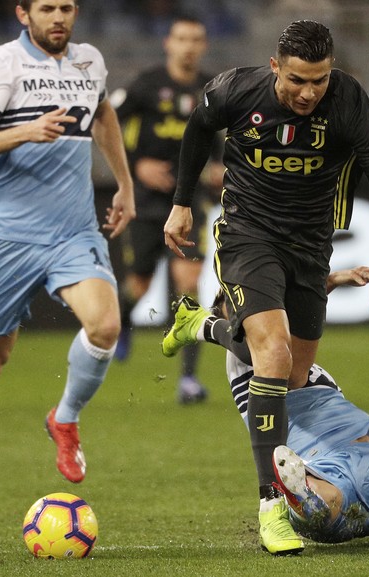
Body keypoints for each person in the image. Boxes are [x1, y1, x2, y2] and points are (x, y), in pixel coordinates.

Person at [163, 19, 369, 554]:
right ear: (275, 66)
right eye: (297, 79)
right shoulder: (236, 89)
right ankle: (271, 506)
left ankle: (201, 326)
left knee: (293, 377)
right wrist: (182, 202)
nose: (308, 93)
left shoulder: (348, 104)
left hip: (309, 246)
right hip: (247, 234)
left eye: (319, 80)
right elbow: (197, 130)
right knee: (271, 354)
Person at [0, 0, 135, 506]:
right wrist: (26, 130)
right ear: (23, 14)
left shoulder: (90, 61)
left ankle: (64, 419)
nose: (57, 17)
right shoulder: (2, 63)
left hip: (73, 231)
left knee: (105, 326)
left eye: (65, 7)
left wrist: (123, 185)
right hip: (8, 236)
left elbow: (102, 113)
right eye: (46, 8)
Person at [163, 268, 369, 546]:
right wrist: (203, 325)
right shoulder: (246, 360)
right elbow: (248, 344)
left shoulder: (290, 353)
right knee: (322, 503)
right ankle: (306, 501)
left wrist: (333, 280)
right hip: (324, 469)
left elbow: (292, 307)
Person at [112, 15, 222, 404]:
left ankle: (188, 380)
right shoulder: (146, 84)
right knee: (138, 283)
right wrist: (135, 163)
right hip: (146, 200)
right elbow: (107, 122)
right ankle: (123, 322)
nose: (188, 46)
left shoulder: (212, 88)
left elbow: (220, 134)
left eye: (196, 38)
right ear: (168, 44)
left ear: (204, 45)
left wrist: (221, 165)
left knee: (188, 284)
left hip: (189, 200)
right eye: (181, 38)